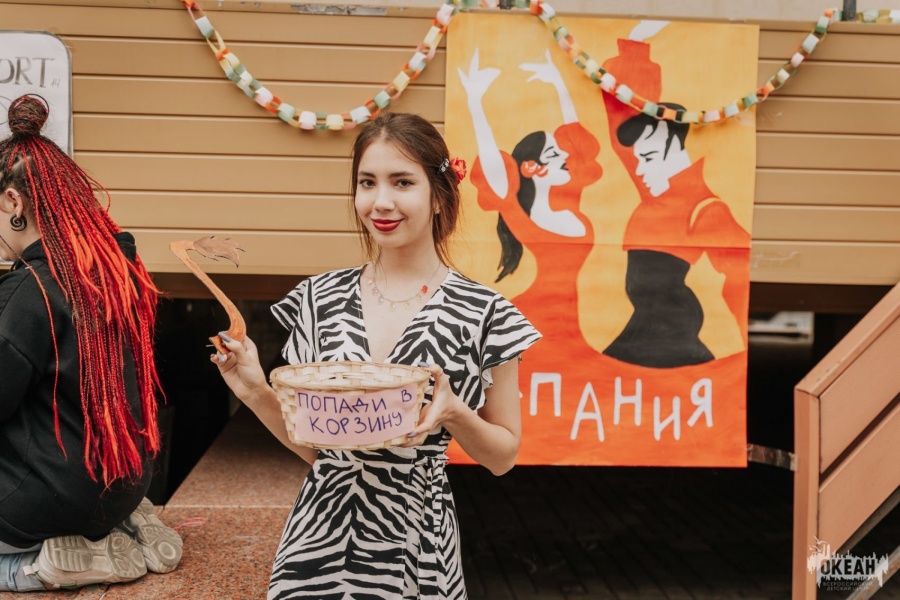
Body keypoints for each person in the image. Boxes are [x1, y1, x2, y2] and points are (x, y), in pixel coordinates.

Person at [212, 112, 540, 599]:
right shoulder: (318, 299)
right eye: (367, 183)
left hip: (418, 541)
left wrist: (454, 412)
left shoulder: (485, 312)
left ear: (439, 195)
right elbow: (318, 449)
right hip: (319, 540)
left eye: (402, 182)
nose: (381, 201)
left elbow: (503, 457)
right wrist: (255, 390)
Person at [0, 95, 182, 592]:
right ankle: (124, 527)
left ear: (13, 203)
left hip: (47, 499)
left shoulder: (31, 290)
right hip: (123, 482)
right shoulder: (118, 276)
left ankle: (35, 568)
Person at [601, 21, 751, 368]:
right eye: (639, 157)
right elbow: (619, 123)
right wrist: (635, 46)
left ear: (671, 143)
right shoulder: (654, 184)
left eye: (649, 156)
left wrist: (738, 347)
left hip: (673, 337)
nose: (638, 167)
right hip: (641, 331)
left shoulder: (706, 208)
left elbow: (735, 278)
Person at [459, 48, 603, 356]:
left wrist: (559, 85)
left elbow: (579, 144)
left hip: (568, 326)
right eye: (554, 153)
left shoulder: (569, 199)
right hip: (531, 324)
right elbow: (493, 165)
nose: (565, 155)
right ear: (531, 168)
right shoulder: (519, 215)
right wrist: (475, 103)